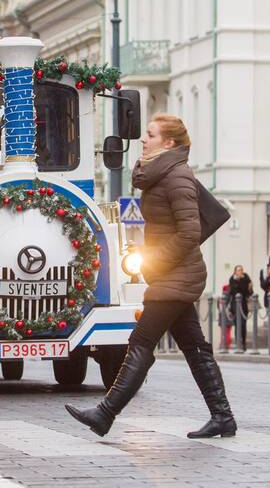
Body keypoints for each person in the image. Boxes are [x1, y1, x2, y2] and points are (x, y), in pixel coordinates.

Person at [66, 114, 235, 439]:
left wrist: (154, 262)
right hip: (174, 274)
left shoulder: (177, 177)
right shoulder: (161, 175)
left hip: (177, 275)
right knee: (195, 347)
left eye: (151, 135)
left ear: (169, 143)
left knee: (141, 340)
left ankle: (104, 414)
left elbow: (189, 232)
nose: (144, 140)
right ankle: (223, 416)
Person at [226, 266, 253, 351]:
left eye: (241, 270)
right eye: (238, 270)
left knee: (243, 324)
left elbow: (245, 290)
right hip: (235, 305)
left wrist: (240, 280)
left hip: (244, 304)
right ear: (235, 272)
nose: (240, 272)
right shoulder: (232, 279)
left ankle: (244, 343)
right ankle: (238, 343)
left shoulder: (245, 278)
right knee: (237, 324)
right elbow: (233, 291)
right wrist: (237, 281)